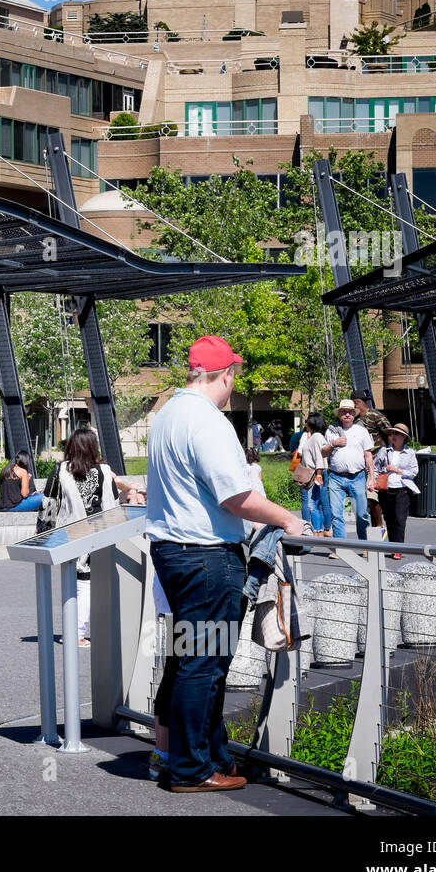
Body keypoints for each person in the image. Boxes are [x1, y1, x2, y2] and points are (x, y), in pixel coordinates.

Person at [145, 336, 302, 793]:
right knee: (204, 663)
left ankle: (209, 757)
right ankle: (192, 770)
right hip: (207, 558)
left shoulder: (169, 414)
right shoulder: (207, 422)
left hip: (175, 554)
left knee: (192, 658)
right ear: (226, 375)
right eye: (234, 373)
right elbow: (236, 496)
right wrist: (288, 518)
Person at [38, 428, 146, 648]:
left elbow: (49, 502)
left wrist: (44, 535)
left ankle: (75, 631)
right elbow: (113, 503)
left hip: (72, 533)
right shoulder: (104, 470)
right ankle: (88, 630)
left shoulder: (61, 470)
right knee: (95, 583)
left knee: (78, 582)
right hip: (101, 531)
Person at [322, 398, 376, 541]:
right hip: (336, 477)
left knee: (361, 514)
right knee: (336, 513)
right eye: (344, 412)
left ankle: (364, 544)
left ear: (354, 414)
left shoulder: (361, 431)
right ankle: (341, 547)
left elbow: (368, 455)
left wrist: (372, 478)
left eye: (350, 412)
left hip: (357, 477)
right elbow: (323, 453)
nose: (347, 414)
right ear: (339, 414)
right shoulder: (331, 431)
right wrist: (333, 444)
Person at [374, 424, 419, 557]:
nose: (393, 436)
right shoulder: (384, 451)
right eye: (392, 433)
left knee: (400, 519)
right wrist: (376, 478)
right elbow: (376, 467)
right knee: (389, 518)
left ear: (404, 437)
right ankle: (392, 545)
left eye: (397, 434)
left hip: (402, 489)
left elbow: (414, 471)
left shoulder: (410, 453)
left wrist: (399, 470)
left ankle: (398, 548)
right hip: (386, 488)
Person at [352, 389, 391, 532]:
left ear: (357, 402)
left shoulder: (375, 415)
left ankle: (380, 526)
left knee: (372, 494)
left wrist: (390, 455)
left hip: (376, 460)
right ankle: (374, 528)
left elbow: (389, 434)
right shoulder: (354, 419)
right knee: (366, 499)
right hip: (360, 463)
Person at [297, 412, 332, 537]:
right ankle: (326, 529)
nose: (305, 422)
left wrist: (318, 474)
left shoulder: (316, 437)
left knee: (313, 504)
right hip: (317, 472)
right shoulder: (314, 436)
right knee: (321, 502)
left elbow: (319, 457)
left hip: (315, 473)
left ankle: (318, 530)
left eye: (307, 420)